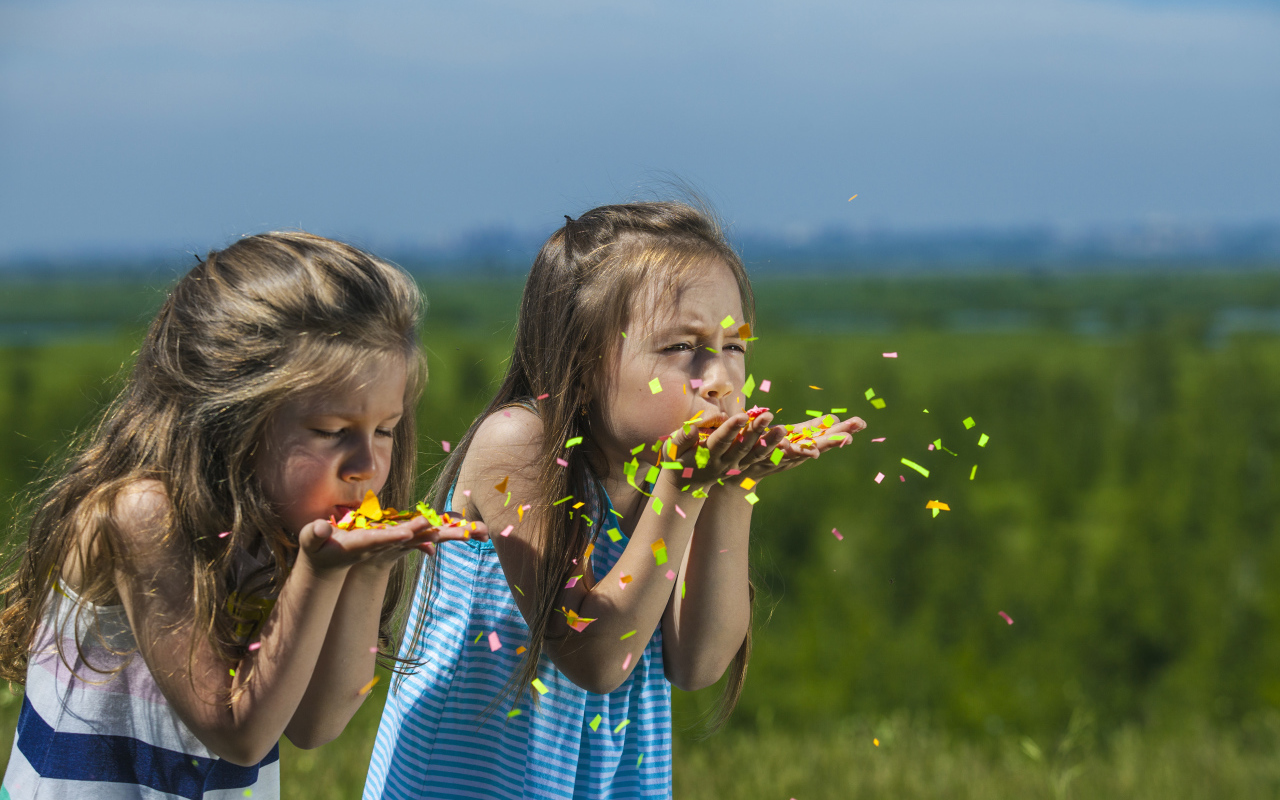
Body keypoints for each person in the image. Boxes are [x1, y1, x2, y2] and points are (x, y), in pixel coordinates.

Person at [364, 202, 866, 799]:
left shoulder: (665, 473)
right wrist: (686, 487)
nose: (720, 380)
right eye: (682, 346)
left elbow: (699, 662)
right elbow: (597, 657)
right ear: (582, 361)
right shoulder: (518, 446)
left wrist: (733, 484)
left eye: (734, 346)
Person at [0, 232, 487, 799]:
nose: (367, 464)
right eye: (332, 433)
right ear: (233, 416)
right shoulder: (144, 516)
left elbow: (313, 727)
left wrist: (370, 569)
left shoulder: (281, 522)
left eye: (385, 430)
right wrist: (319, 572)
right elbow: (242, 735)